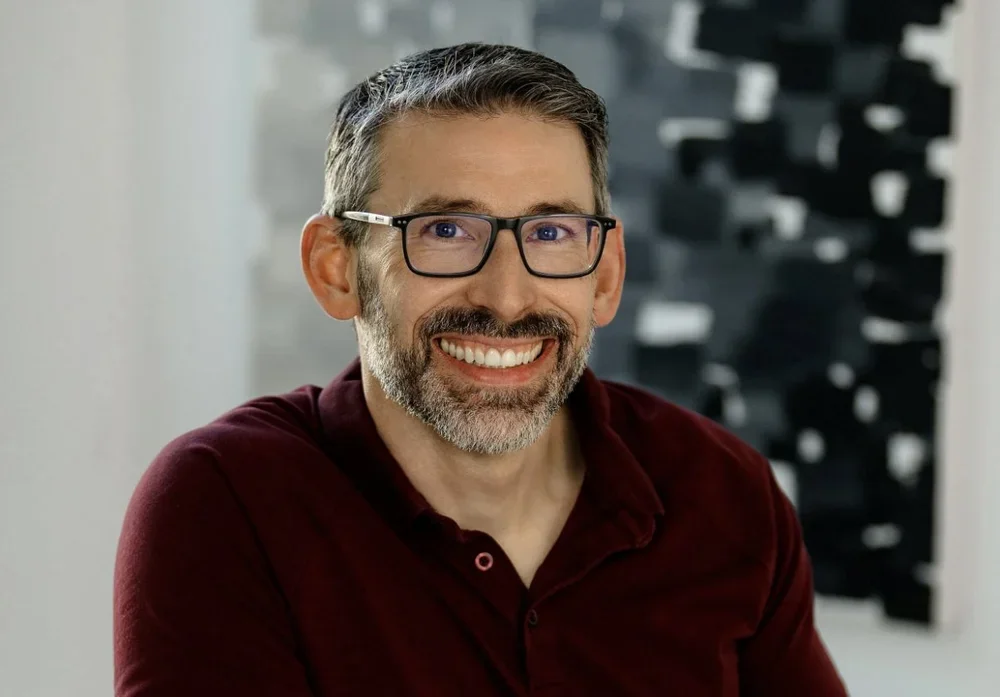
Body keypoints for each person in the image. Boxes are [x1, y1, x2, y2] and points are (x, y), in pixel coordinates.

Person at [113, 43, 848, 697]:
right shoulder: (227, 499)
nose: (505, 295)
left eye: (552, 232)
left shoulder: (724, 494)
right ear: (337, 269)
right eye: (445, 230)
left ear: (605, 275)